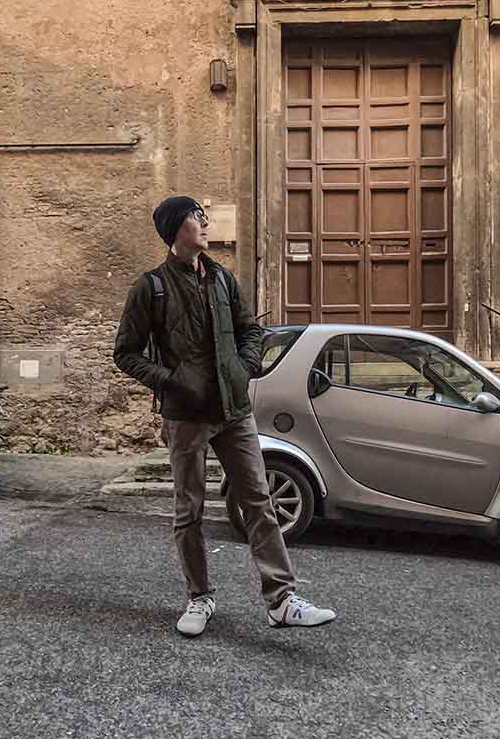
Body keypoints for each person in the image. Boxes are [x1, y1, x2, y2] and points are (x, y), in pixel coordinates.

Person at [114, 195, 336, 638]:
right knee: (189, 510)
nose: (205, 221)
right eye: (197, 216)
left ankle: (281, 599)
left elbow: (250, 329)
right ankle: (200, 597)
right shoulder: (151, 287)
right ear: (176, 227)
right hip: (186, 415)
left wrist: (245, 366)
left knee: (258, 500)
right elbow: (126, 353)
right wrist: (172, 382)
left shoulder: (222, 279)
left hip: (233, 410)